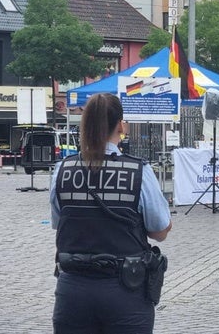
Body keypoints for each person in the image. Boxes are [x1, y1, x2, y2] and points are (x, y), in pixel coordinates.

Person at [50, 93, 172, 334]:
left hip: (73, 290)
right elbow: (159, 231)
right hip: (125, 291)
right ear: (120, 125)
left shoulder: (62, 170)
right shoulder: (139, 171)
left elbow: (59, 223)